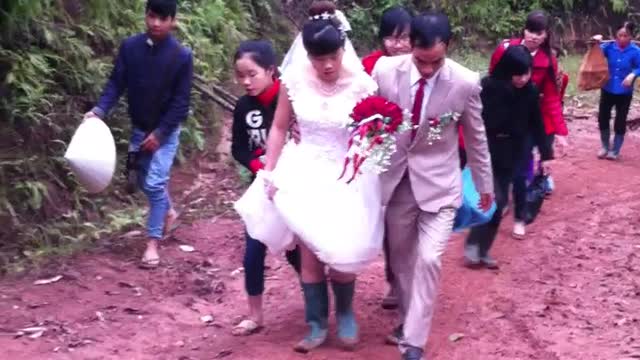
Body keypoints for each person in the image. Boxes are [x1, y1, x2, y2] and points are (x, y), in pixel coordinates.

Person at [237, 1, 383, 353]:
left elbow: (372, 131)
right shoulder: (294, 83)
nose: (328, 65)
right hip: (304, 170)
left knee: (342, 247)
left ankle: (346, 315)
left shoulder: (362, 84)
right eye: (319, 59)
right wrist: (269, 172)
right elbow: (279, 127)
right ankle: (316, 322)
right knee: (310, 253)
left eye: (333, 56)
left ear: (342, 50)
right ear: (307, 55)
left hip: (346, 173)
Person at [372, 12, 493, 360]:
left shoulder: (465, 82)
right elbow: (366, 118)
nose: (427, 70)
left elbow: (476, 136)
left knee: (428, 259)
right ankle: (409, 318)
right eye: (420, 61)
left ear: (449, 47)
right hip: (395, 184)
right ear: (409, 48)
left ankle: (413, 342)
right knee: (402, 261)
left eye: (435, 62)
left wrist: (485, 184)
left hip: (441, 185)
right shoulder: (383, 72)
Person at [84, 0, 193, 268]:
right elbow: (116, 83)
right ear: (146, 16)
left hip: (165, 132)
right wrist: (99, 110)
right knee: (143, 180)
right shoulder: (130, 47)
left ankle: (152, 244)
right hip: (139, 127)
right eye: (152, 16)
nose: (156, 23)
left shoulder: (181, 56)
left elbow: (181, 103)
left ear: (173, 21)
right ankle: (168, 211)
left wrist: (161, 133)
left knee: (155, 183)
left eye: (163, 18)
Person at [230, 40, 301, 336]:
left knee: (295, 251)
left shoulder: (293, 101)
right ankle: (255, 315)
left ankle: (318, 303)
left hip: (296, 187)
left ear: (271, 71)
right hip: (261, 187)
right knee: (253, 250)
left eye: (252, 74)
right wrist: (259, 167)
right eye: (240, 75)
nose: (246, 81)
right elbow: (238, 149)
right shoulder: (244, 107)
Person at [464, 45, 553, 269]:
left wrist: (546, 154)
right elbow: (474, 120)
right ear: (506, 70)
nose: (523, 78)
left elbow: (537, 123)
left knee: (501, 201)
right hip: (488, 149)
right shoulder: (488, 87)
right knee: (490, 198)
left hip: (514, 150)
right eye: (518, 73)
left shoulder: (531, 91)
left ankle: (483, 248)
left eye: (527, 73)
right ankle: (474, 244)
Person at [489, 10, 567, 239]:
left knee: (521, 173)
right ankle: (502, 203)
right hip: (503, 122)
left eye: (539, 32)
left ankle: (520, 217)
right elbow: (492, 83)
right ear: (524, 30)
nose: (533, 36)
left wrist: (560, 132)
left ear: (545, 35)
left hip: (529, 119)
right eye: (530, 30)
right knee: (501, 171)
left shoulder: (548, 59)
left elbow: (552, 96)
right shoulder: (505, 50)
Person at [361, 4, 413, 311]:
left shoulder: (425, 64)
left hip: (418, 154)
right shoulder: (369, 66)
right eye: (391, 38)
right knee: (389, 222)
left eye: (404, 37)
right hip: (381, 154)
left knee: (410, 223)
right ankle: (394, 279)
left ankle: (411, 282)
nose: (398, 44)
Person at [592, 21, 640, 160]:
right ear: (615, 35)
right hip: (607, 88)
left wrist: (633, 74)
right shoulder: (609, 47)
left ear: (631, 36)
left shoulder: (636, 52)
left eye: (626, 35)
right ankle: (605, 146)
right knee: (603, 117)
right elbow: (595, 53)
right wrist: (595, 42)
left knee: (620, 120)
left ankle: (616, 150)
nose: (622, 39)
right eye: (620, 35)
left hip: (625, 92)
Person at [362, 6, 413, 75]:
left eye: (404, 38)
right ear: (382, 39)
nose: (398, 46)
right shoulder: (370, 65)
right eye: (391, 38)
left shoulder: (425, 61)